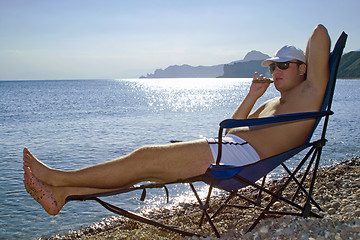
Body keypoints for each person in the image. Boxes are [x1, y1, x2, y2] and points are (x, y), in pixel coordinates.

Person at [23, 24, 331, 216]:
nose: (276, 71)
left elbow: (319, 33)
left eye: (285, 65)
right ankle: (62, 193)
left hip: (243, 158)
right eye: (274, 66)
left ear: (304, 69)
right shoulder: (276, 102)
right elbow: (235, 126)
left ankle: (59, 178)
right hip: (233, 147)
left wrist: (307, 67)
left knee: (144, 157)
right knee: (146, 168)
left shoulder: (309, 93)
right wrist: (253, 95)